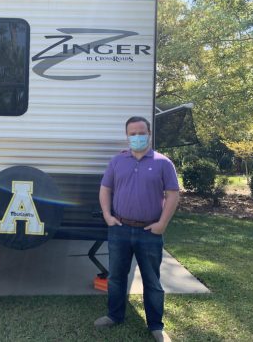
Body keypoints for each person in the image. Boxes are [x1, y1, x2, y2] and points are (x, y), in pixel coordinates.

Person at [94, 116, 180, 342]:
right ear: (127, 136)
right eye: (132, 134)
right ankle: (114, 316)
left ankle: (156, 326)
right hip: (120, 229)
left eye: (141, 133)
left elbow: (173, 194)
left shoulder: (163, 162)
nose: (137, 137)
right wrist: (107, 215)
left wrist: (162, 224)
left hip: (150, 232)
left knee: (152, 280)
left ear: (149, 134)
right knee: (116, 277)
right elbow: (105, 189)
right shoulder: (117, 161)